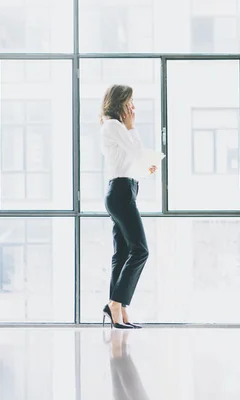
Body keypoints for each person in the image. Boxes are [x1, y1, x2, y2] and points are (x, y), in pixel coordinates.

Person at [99, 84, 156, 329]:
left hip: (125, 188)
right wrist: (132, 127)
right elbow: (135, 149)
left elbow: (131, 158)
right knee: (140, 249)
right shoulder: (113, 125)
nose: (133, 107)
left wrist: (145, 167)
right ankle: (116, 302)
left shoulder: (117, 127)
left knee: (122, 253)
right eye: (130, 102)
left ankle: (117, 308)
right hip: (121, 192)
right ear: (120, 103)